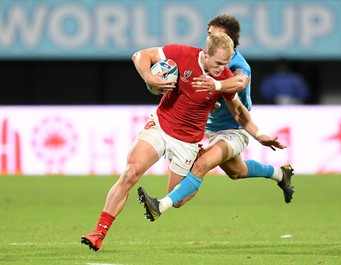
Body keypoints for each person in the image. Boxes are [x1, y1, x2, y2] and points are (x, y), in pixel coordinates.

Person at [80, 32, 286, 251]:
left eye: (225, 64)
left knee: (178, 200)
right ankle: (99, 233)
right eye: (217, 63)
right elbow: (140, 56)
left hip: (187, 142)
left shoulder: (223, 78)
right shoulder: (182, 53)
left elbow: (238, 112)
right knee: (131, 172)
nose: (221, 69)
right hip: (161, 125)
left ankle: (197, 168)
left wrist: (258, 134)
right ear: (205, 54)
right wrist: (150, 77)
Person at [137, 15, 294, 222]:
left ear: (226, 39)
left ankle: (159, 205)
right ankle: (280, 174)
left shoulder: (236, 64)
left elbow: (239, 83)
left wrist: (217, 85)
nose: (208, 38)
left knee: (201, 165)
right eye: (208, 34)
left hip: (234, 130)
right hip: (211, 129)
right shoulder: (207, 58)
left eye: (213, 34)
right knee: (237, 171)